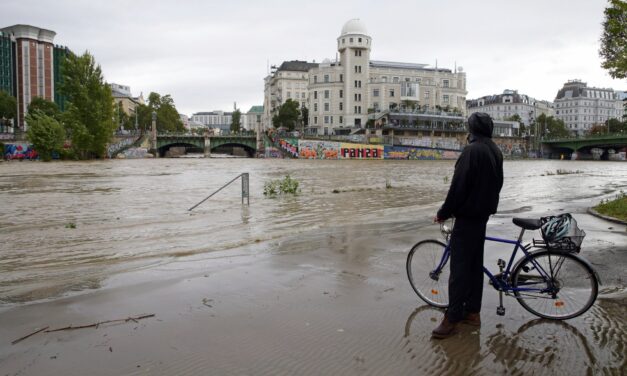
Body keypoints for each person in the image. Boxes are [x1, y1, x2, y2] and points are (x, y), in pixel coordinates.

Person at [432, 112, 504, 339]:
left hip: (467, 216)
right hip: (482, 215)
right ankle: (472, 312)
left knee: (460, 270)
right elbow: (498, 183)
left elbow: (458, 187)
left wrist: (443, 212)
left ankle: (452, 318)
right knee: (474, 266)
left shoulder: (472, 151)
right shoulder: (494, 150)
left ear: (471, 130)